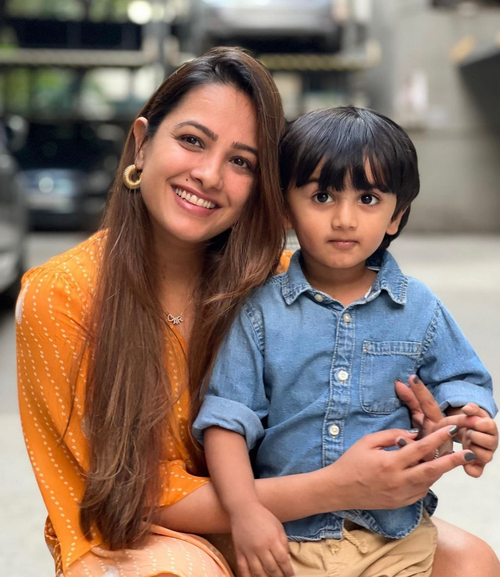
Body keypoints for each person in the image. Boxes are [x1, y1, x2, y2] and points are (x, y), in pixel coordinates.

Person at [16, 48, 499, 577]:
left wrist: (430, 428)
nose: (208, 174)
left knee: (472, 562)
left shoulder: (283, 280)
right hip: (141, 529)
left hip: (295, 517)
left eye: (241, 161)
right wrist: (339, 486)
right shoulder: (62, 294)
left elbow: (435, 382)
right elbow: (129, 496)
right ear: (142, 143)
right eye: (192, 140)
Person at [193, 106, 499, 577]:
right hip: (285, 541)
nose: (344, 219)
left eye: (368, 199)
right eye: (322, 196)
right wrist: (245, 512)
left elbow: (462, 383)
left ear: (397, 215)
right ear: (285, 208)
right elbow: (227, 422)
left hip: (395, 544)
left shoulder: (419, 308)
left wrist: (470, 421)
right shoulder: (259, 312)